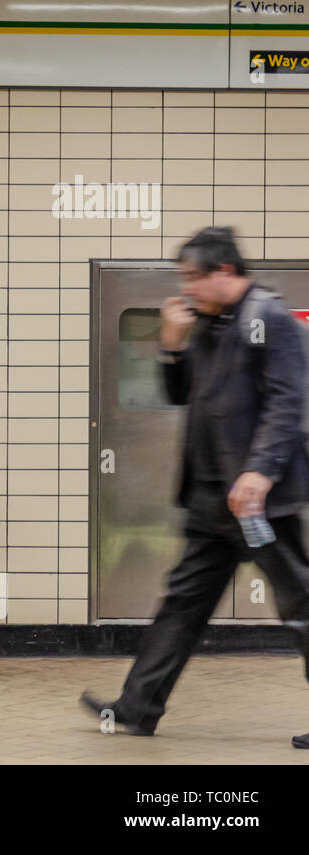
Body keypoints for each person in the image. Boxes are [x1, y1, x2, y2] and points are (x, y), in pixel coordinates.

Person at [81, 227, 309, 748]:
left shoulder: (268, 319)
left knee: (300, 604)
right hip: (212, 499)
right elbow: (180, 393)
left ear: (224, 271)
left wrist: (260, 471)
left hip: (259, 500)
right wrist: (170, 343)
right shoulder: (207, 323)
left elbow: (287, 403)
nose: (185, 289)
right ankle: (138, 706)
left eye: (191, 278)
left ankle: (139, 703)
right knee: (183, 604)